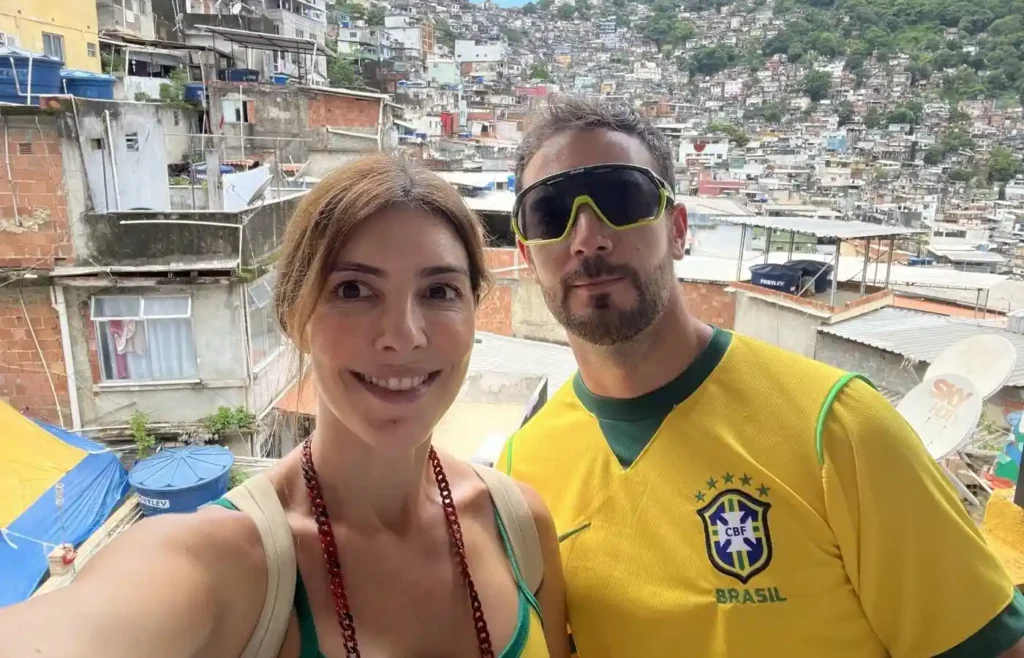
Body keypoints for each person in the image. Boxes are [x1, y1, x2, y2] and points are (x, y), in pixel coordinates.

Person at [498, 98, 1024, 658]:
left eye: (622, 200)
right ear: (529, 253)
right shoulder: (521, 474)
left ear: (677, 230)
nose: (588, 239)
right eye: (550, 215)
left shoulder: (839, 429)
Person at [0, 153, 570, 658]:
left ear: (475, 311)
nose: (403, 335)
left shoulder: (516, 524)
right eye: (353, 289)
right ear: (293, 317)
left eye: (440, 291)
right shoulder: (225, 564)